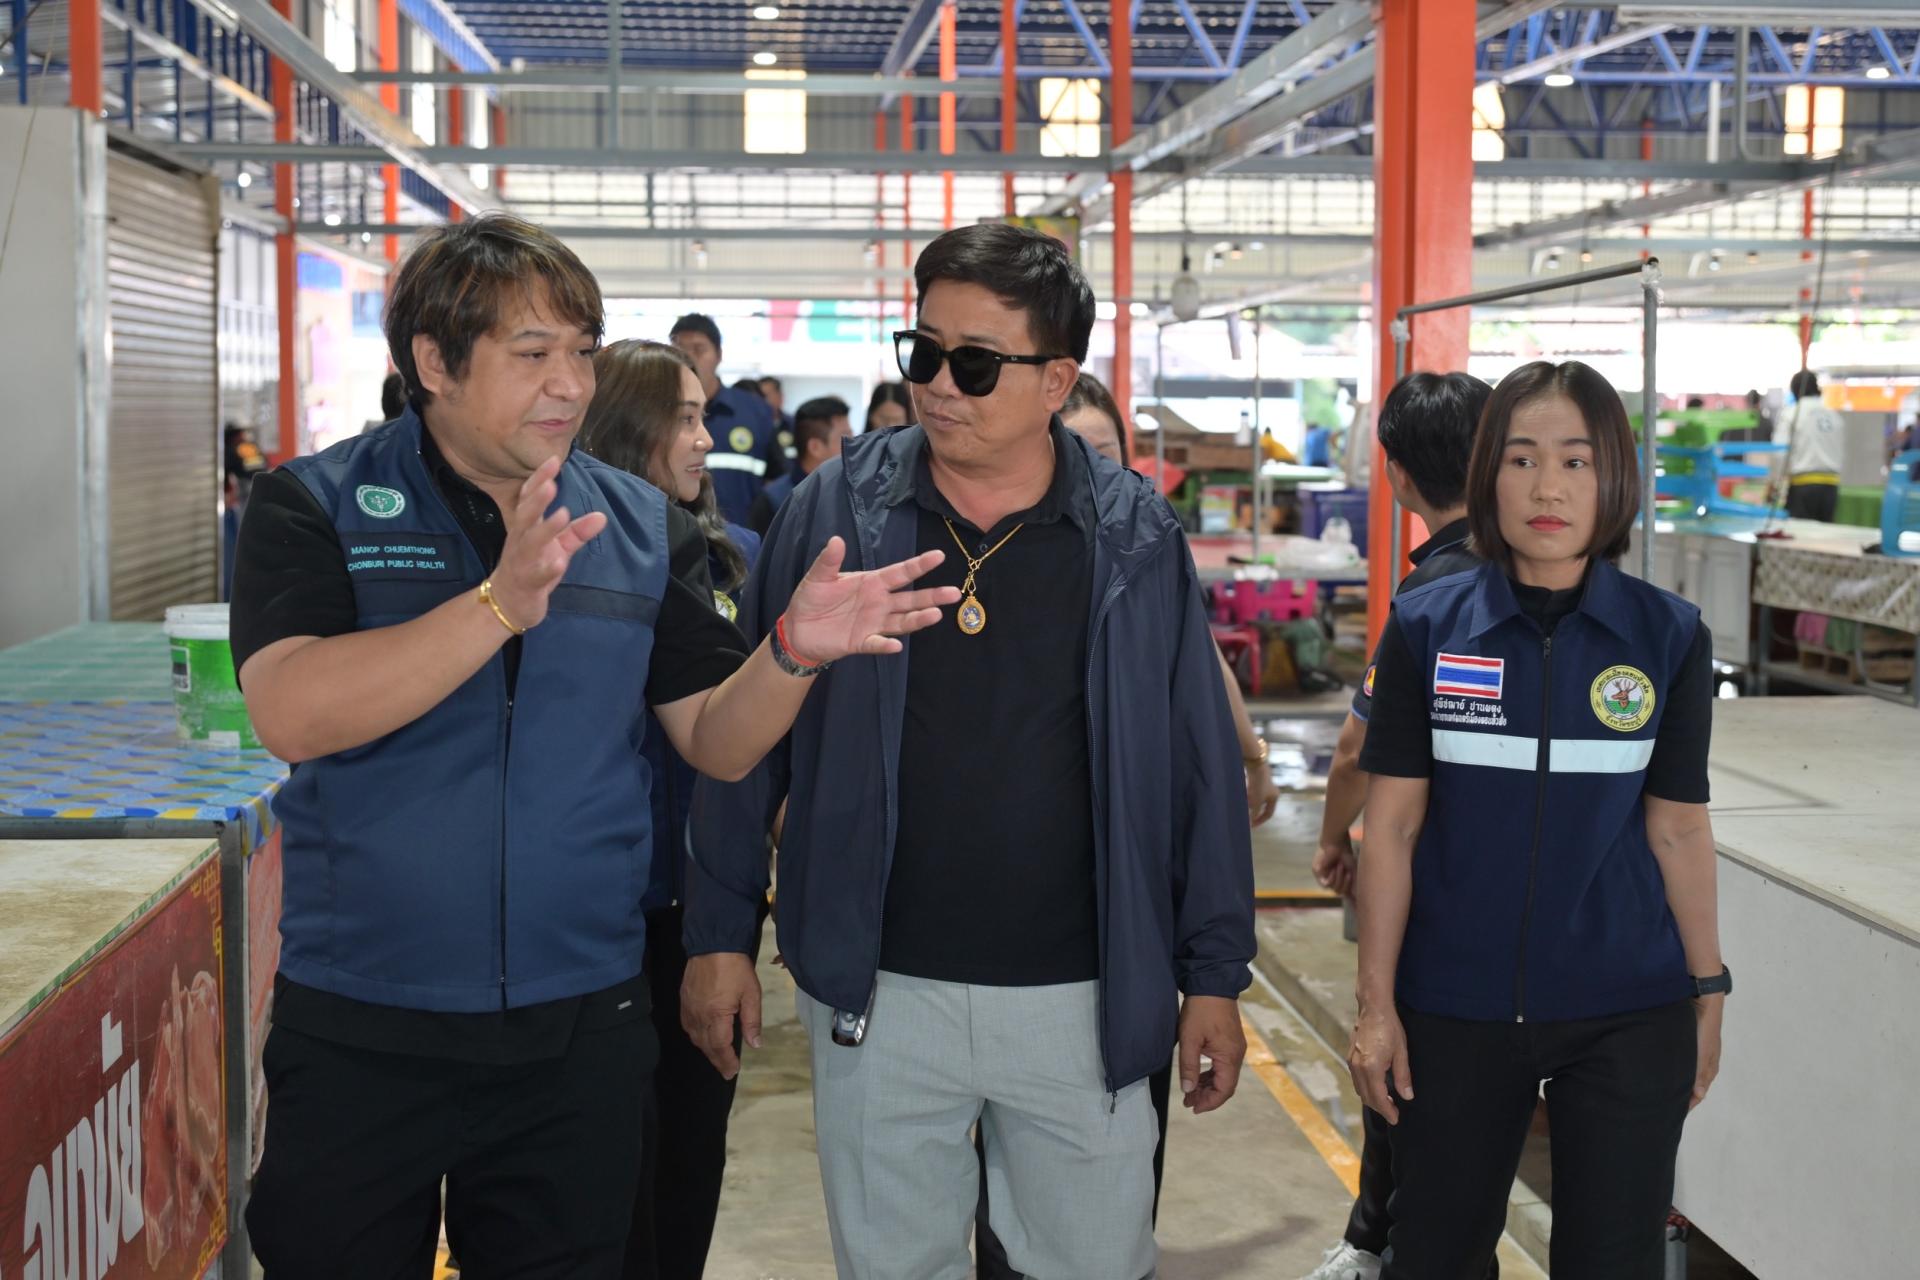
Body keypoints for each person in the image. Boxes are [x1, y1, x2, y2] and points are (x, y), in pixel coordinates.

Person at [231, 213, 959, 1280]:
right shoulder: (318, 503)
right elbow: (291, 710)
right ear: (433, 361)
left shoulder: (638, 524)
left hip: (578, 1025)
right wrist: (495, 604)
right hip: (362, 1016)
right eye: (533, 353)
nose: (570, 384)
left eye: (581, 350)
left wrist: (792, 655)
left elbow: (715, 739)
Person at [681, 222, 1257, 1280]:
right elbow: (749, 736)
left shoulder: (1133, 537)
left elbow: (1197, 771)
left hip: (1083, 995)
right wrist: (720, 932)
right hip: (879, 989)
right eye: (924, 352)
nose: (939, 386)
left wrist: (1213, 974)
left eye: (977, 364)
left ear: (1057, 381)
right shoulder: (838, 510)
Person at [1349, 360, 1726, 1280]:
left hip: (1625, 1006)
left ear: (1615, 478)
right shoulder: (1427, 627)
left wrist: (1708, 990)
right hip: (1455, 1004)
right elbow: (1389, 829)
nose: (1547, 488)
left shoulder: (1668, 636)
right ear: (1488, 476)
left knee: (1613, 1260)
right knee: (1435, 1255)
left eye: (1575, 461)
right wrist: (1375, 1006)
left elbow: (1678, 828)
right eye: (1520, 459)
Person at [575, 339, 761, 1280]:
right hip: (595, 921)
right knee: (605, 1178)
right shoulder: (567, 563)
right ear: (625, 426)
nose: (704, 439)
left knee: (691, 1153)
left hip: (705, 912)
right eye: (683, 419)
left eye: (704, 416)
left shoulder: (740, 560)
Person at [1301, 371, 1491, 1280]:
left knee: (1396, 1065)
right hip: (1516, 890)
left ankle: (1385, 1245)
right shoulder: (1539, 579)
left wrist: (1333, 840)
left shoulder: (1431, 598)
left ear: (1397, 475)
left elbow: (1354, 751)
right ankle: (1373, 1237)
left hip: (1429, 890)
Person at [670, 313, 787, 528]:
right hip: (676, 536)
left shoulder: (755, 412)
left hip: (742, 537)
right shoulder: (660, 413)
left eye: (699, 349)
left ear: (719, 355)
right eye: (679, 350)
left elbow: (779, 478)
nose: (688, 358)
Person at [748, 395, 852, 536]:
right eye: (846, 437)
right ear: (815, 447)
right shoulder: (774, 502)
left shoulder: (854, 494)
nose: (853, 445)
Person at [1775, 369, 1845, 522]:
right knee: (1824, 534)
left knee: (1800, 533)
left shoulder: (1791, 414)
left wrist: (1775, 482)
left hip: (1803, 485)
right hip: (1830, 486)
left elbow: (1780, 452)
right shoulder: (1834, 416)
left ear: (1794, 390)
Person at [759, 375, 797, 462]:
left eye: (766, 396)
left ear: (780, 397)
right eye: (759, 396)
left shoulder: (794, 425)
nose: (762, 401)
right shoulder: (754, 427)